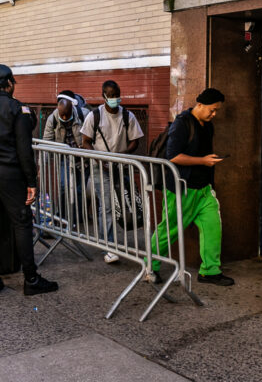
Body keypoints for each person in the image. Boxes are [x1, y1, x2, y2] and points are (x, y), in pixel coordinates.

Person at [0, 64, 58, 297]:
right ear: (9, 83)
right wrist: (32, 182)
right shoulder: (18, 109)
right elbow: (24, 150)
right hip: (10, 174)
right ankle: (31, 278)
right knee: (21, 224)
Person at [147, 88, 233, 286]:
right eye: (212, 110)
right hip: (182, 189)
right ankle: (150, 266)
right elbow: (173, 156)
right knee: (169, 231)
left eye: (217, 110)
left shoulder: (208, 126)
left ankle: (209, 271)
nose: (214, 114)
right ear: (200, 104)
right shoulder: (182, 124)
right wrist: (203, 161)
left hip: (203, 190)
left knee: (213, 227)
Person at [81, 80, 144, 264]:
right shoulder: (95, 116)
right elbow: (85, 141)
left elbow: (135, 141)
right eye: (112, 95)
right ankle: (108, 247)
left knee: (125, 201)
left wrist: (123, 155)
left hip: (120, 165)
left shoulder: (127, 116)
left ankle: (113, 239)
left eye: (117, 94)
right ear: (104, 96)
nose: (115, 98)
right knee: (107, 205)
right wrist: (100, 158)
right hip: (100, 167)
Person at [43, 90, 89, 218]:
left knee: (79, 189)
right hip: (64, 158)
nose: (64, 118)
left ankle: (77, 217)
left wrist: (86, 147)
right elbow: (46, 142)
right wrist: (42, 165)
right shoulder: (52, 118)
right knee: (64, 186)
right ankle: (63, 217)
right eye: (61, 115)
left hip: (83, 159)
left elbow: (93, 136)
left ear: (72, 107)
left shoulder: (84, 115)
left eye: (66, 115)